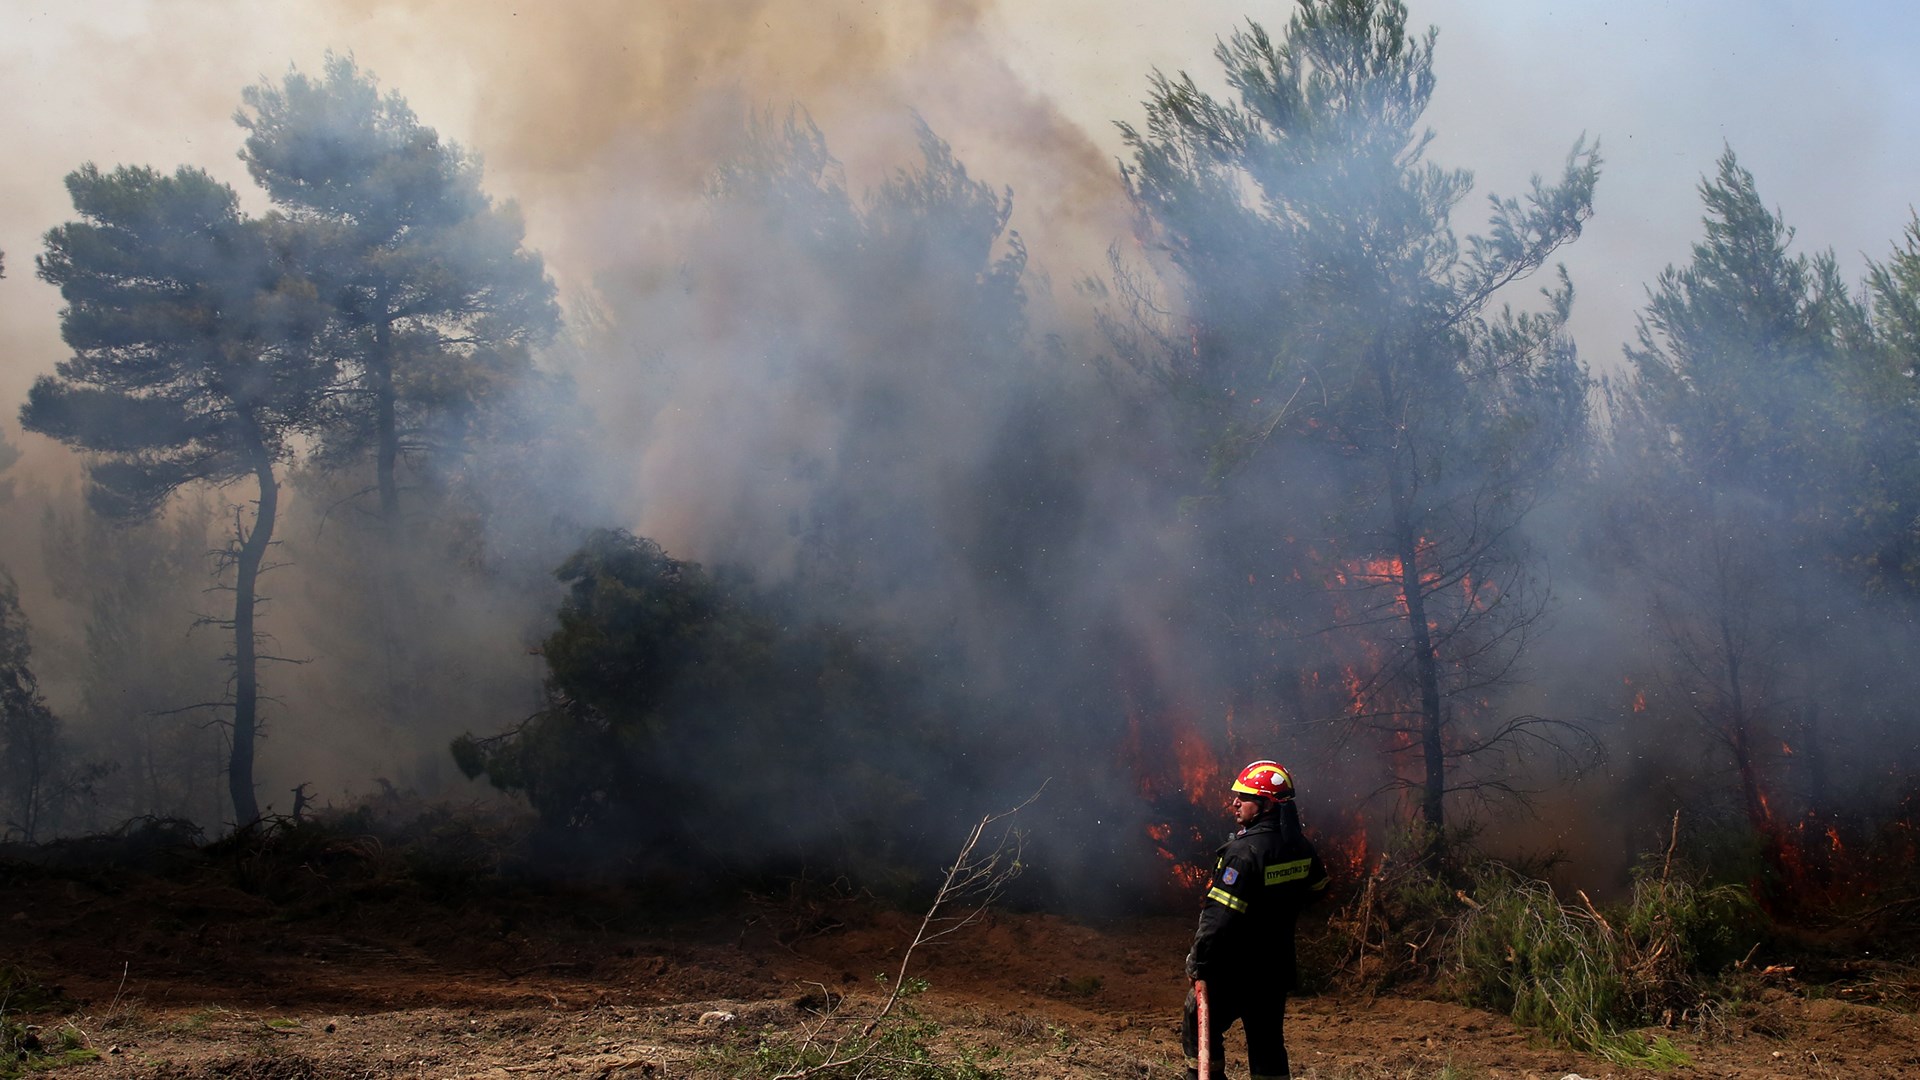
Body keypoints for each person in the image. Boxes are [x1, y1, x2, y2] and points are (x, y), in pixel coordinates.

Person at [1182, 760, 1330, 1080]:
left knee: (1198, 1020)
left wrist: (1199, 961)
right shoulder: (1300, 847)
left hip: (1236, 969)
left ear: (1265, 806)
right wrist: (1278, 906)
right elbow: (1318, 888)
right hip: (1274, 969)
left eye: (1244, 797)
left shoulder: (1243, 853)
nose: (1235, 802)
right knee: (1267, 1043)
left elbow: (1219, 918)